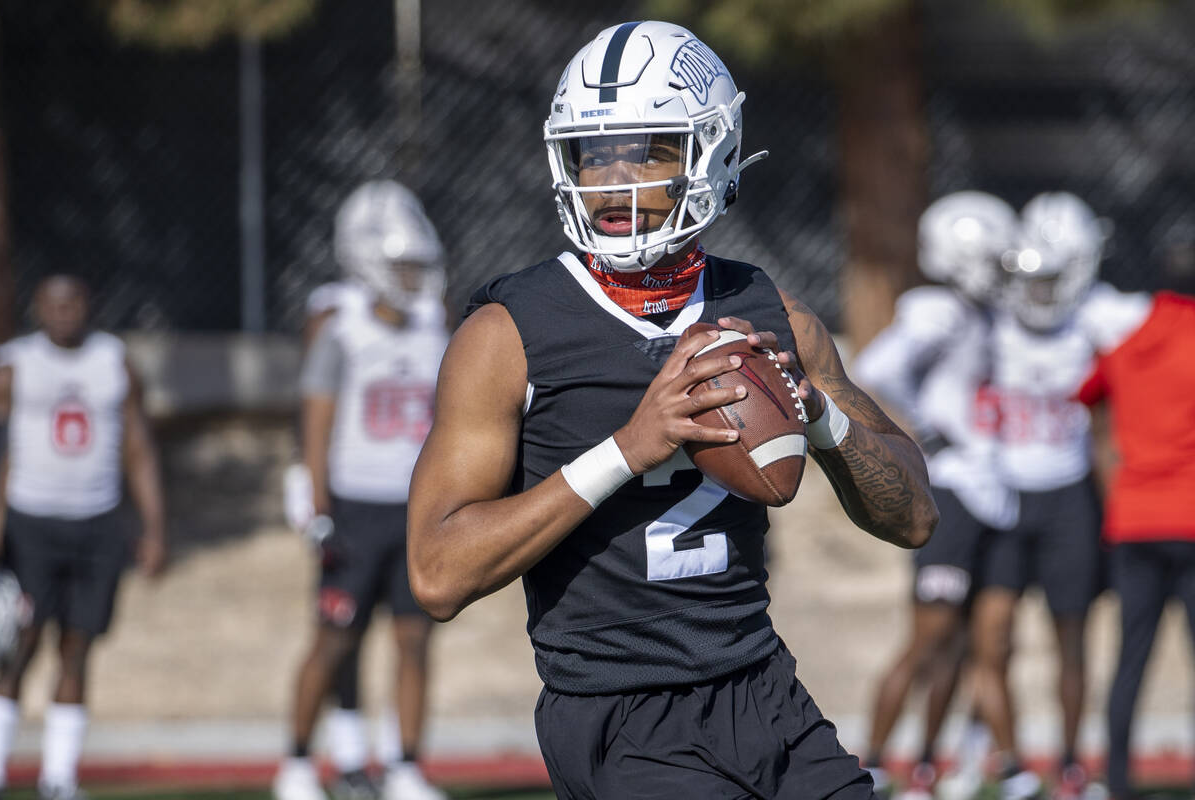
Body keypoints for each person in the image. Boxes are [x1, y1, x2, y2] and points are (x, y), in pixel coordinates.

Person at [407, 21, 938, 799]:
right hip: (618, 715)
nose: (613, 180)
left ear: (711, 152)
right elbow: (436, 575)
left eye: (647, 149)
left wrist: (820, 414)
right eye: (596, 153)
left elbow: (915, 517)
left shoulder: (772, 315)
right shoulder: (508, 335)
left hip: (763, 688)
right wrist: (628, 449)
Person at [968, 193, 1151, 800]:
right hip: (1003, 495)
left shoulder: (1100, 314)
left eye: (1051, 278)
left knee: (1070, 639)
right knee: (991, 637)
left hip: (1070, 495)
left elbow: (1152, 328)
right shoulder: (986, 315)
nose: (1038, 292)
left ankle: (1072, 764)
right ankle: (1009, 761)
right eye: (1031, 277)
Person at [272, 180, 448, 800]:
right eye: (402, 263)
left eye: (418, 263)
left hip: (415, 511)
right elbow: (315, 421)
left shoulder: (436, 324)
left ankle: (403, 765)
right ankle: (297, 762)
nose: (413, 275)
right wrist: (313, 497)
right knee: (333, 640)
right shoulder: (339, 325)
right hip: (353, 506)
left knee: (413, 640)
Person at [853, 191, 1020, 799]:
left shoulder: (980, 313)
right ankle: (870, 762)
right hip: (952, 492)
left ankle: (925, 764)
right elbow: (875, 367)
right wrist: (924, 429)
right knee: (927, 642)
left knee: (972, 645)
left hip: (989, 489)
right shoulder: (937, 310)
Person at [0, 275, 166, 800]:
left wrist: (154, 526)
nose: (65, 312)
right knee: (16, 647)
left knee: (78, 646)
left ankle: (59, 778)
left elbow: (137, 446)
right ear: (38, 308)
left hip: (96, 522)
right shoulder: (14, 365)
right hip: (32, 522)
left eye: (74, 302)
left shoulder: (113, 362)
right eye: (54, 303)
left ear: (88, 305)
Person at [1075, 291, 1195, 800]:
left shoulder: (1125, 344)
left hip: (1136, 519)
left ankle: (1119, 782)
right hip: (1190, 517)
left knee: (1131, 659)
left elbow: (1084, 395)